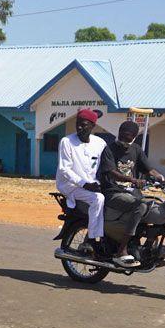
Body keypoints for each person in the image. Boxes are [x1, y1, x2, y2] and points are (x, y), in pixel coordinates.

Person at [98, 120, 165, 267]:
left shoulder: (136, 149)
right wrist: (132, 180)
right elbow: (112, 173)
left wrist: (161, 177)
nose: (123, 139)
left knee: (156, 207)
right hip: (113, 191)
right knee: (140, 207)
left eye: (128, 137)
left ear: (134, 137)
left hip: (132, 192)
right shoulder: (109, 149)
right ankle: (121, 250)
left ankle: (148, 245)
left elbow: (148, 169)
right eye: (122, 135)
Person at [56, 109, 109, 257]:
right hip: (70, 186)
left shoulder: (100, 143)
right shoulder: (67, 142)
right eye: (78, 124)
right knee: (98, 199)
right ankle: (91, 240)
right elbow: (64, 169)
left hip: (91, 184)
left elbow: (108, 164)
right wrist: (84, 184)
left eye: (84, 125)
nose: (79, 127)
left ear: (92, 126)